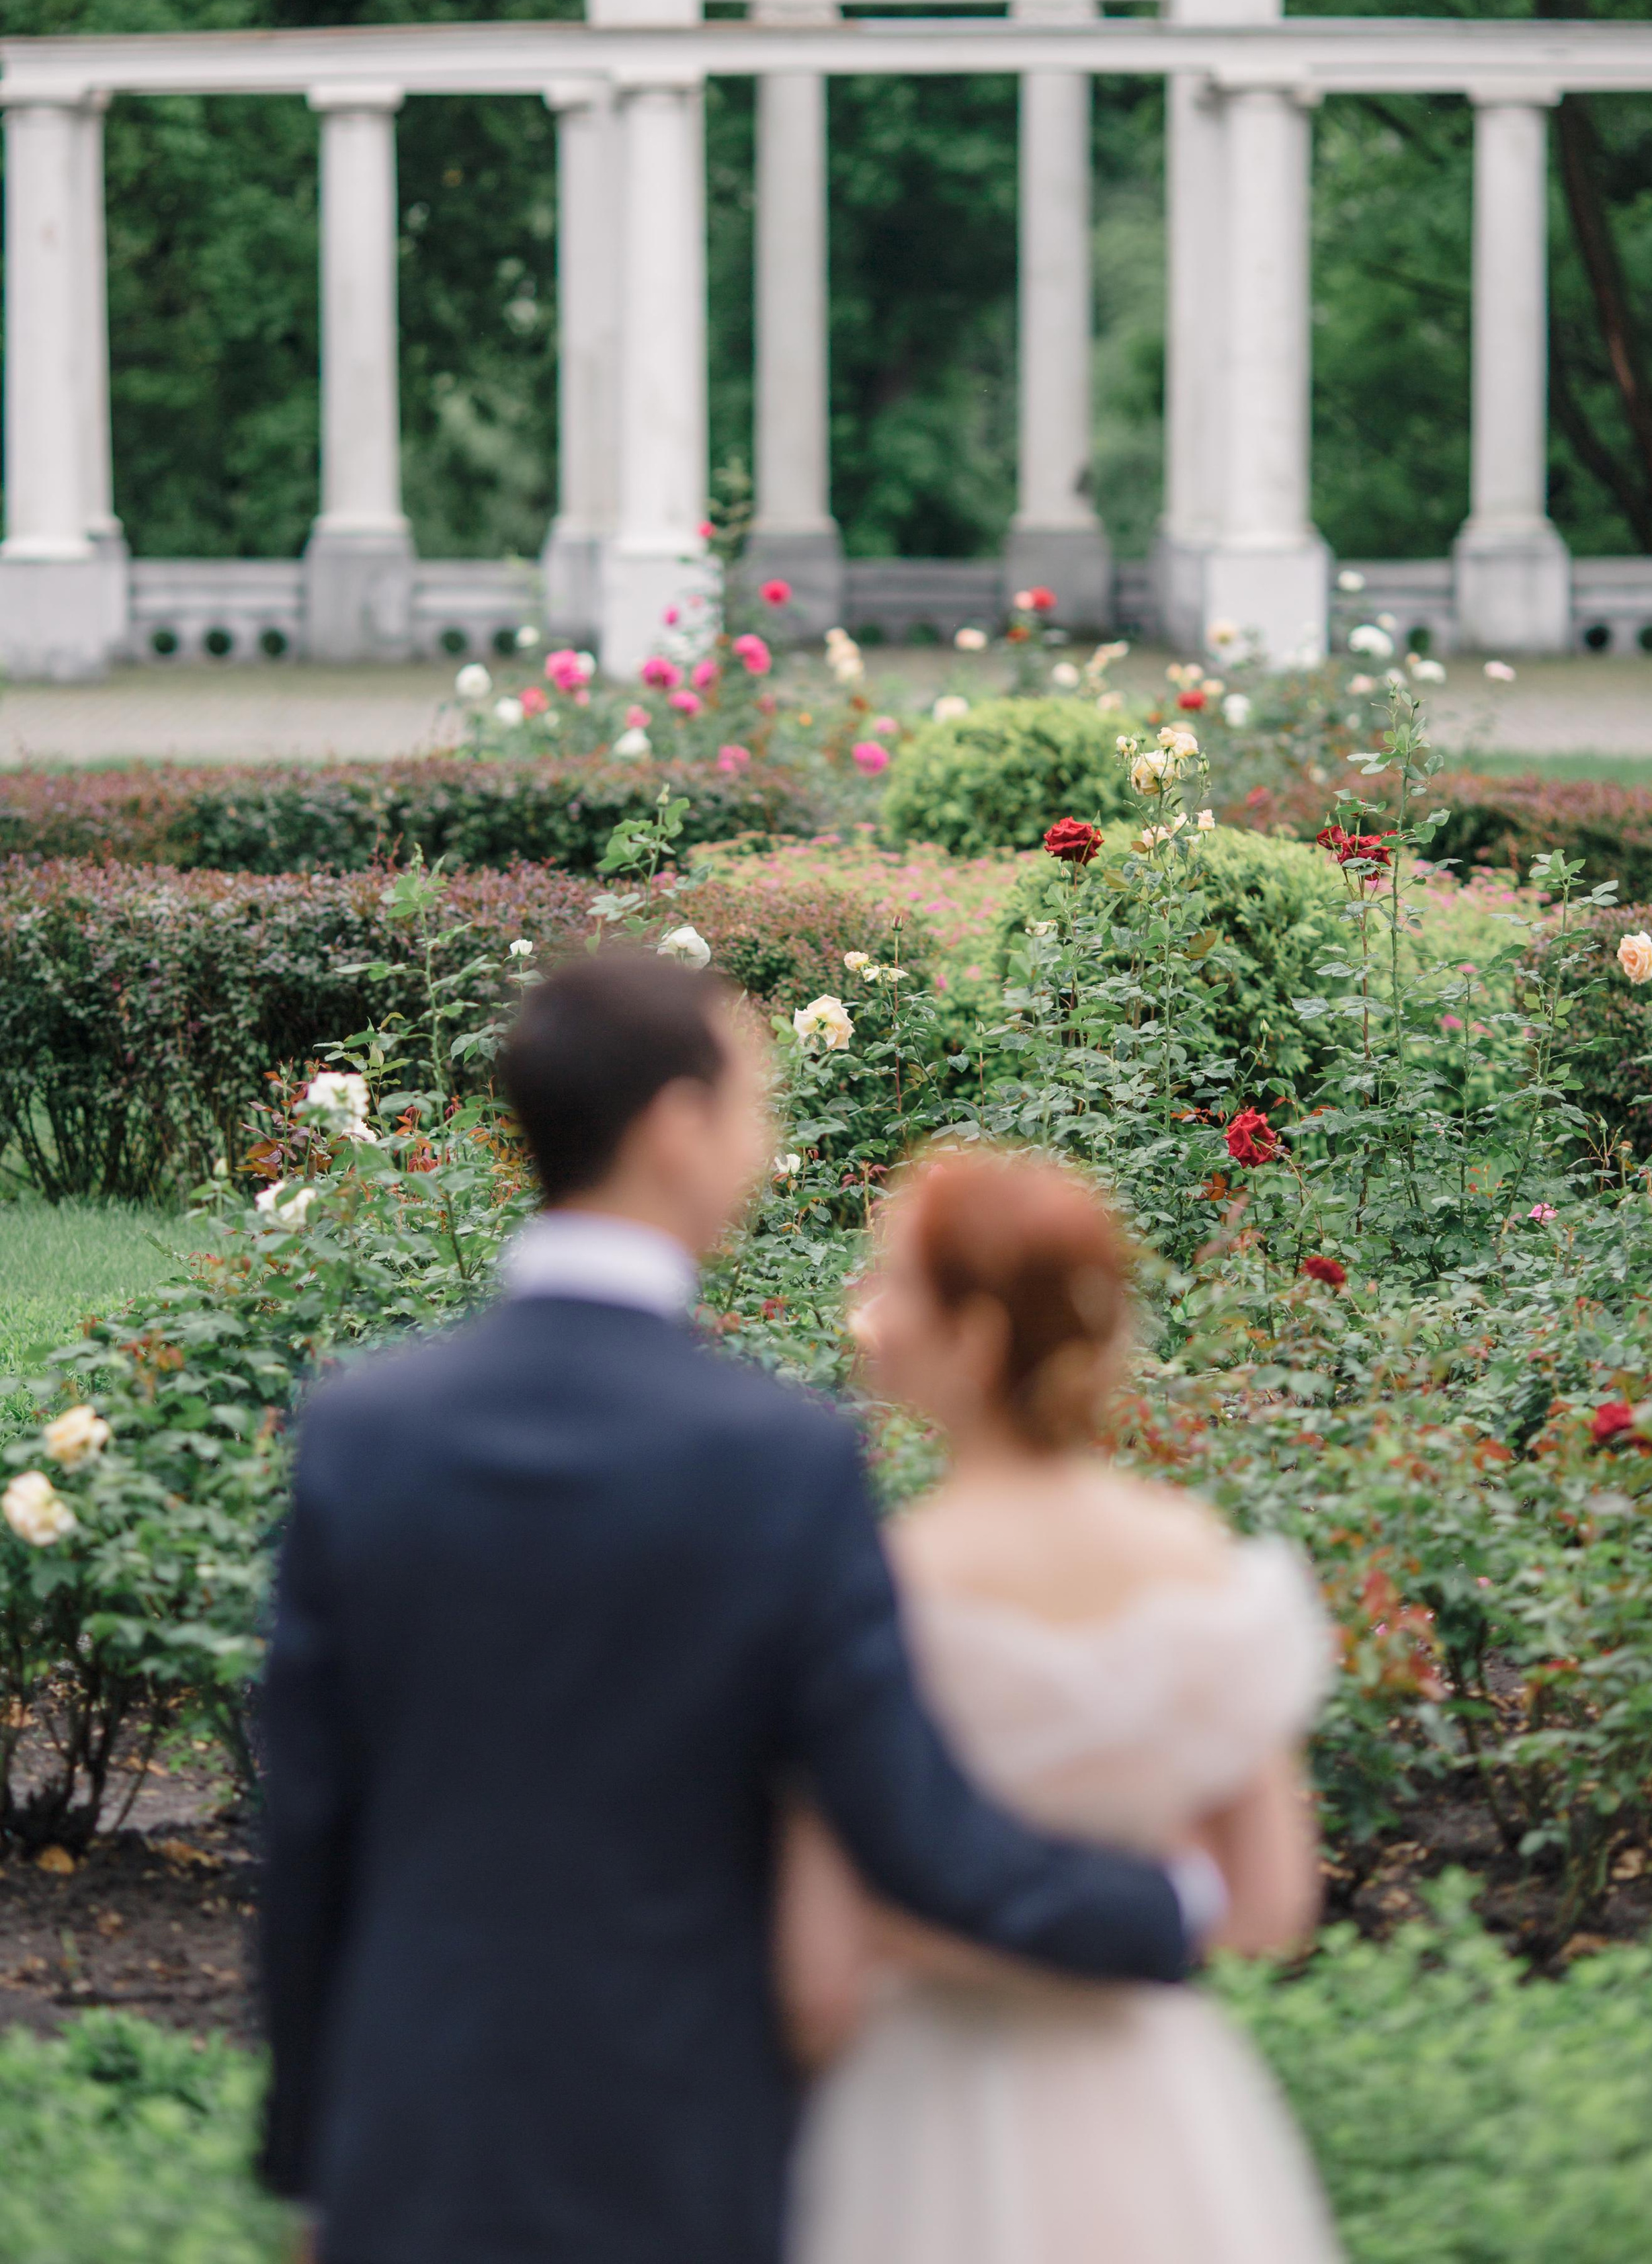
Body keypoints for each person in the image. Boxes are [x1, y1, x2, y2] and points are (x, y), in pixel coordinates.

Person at [259, 948, 1227, 2264]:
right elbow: (912, 1828)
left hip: (412, 2135)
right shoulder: (777, 1458)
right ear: (676, 1127)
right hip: (673, 2144)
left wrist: (316, 2165)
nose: (767, 1152)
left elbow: (310, 1830)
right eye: (754, 1108)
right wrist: (1167, 1904)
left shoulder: (361, 1434)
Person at [780, 1145, 1340, 2264]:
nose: (864, 1311)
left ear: (977, 1338)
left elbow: (817, 1975)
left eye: (893, 1282)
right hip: (1156, 2104)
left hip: (926, 2116)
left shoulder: (879, 1590)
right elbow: (1273, 1903)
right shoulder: (1197, 1566)